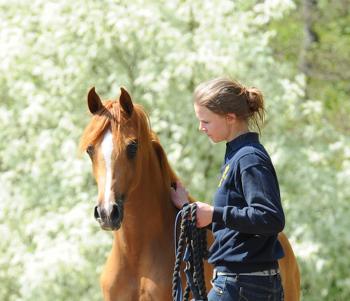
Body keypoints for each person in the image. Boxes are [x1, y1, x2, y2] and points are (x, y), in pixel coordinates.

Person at [171, 77, 285, 300]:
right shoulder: (236, 155)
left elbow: (271, 218)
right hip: (243, 283)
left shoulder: (249, 158)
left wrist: (214, 213)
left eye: (206, 121)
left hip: (242, 285)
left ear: (230, 118)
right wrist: (190, 209)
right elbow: (238, 227)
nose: (200, 128)